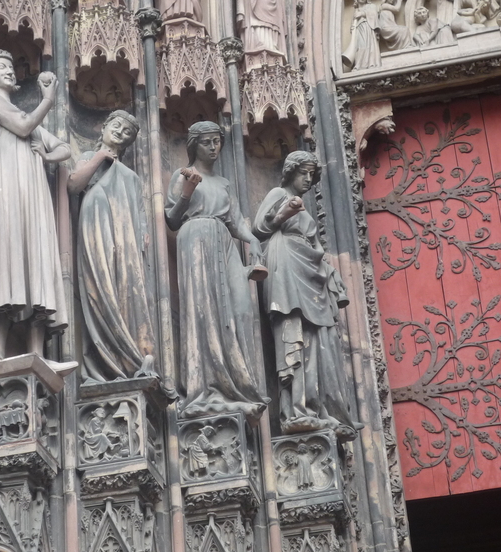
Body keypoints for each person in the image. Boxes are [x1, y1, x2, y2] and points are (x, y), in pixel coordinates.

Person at [0, 50, 72, 370]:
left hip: (32, 199)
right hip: (5, 195)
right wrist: (48, 100)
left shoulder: (30, 122)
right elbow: (24, 126)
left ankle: (37, 352)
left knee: (35, 267)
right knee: (5, 265)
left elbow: (65, 148)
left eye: (11, 66)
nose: (9, 71)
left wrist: (47, 155)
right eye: (1, 66)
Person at [253, 151, 360, 440]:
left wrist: (329, 272)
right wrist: (285, 213)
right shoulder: (278, 194)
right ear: (290, 172)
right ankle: (295, 411)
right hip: (286, 266)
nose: (308, 180)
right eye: (304, 173)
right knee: (293, 334)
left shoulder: (307, 214)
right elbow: (259, 229)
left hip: (309, 273)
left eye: (312, 175)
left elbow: (316, 249)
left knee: (318, 340)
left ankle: (319, 408)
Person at [165, 121, 268, 421]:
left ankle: (240, 382)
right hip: (195, 238)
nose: (213, 147)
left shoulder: (223, 183)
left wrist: (253, 240)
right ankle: (206, 384)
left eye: (217, 141)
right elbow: (172, 219)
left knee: (242, 308)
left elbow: (235, 221)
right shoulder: (182, 175)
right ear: (193, 145)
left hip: (224, 241)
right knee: (203, 309)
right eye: (206, 142)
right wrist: (187, 192)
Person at [68, 111, 157, 383]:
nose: (120, 132)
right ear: (104, 127)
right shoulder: (88, 157)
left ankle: (131, 355)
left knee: (127, 289)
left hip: (124, 238)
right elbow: (74, 185)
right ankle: (103, 358)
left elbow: (140, 216)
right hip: (95, 225)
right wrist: (99, 157)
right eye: (116, 126)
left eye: (127, 132)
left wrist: (142, 235)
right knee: (99, 285)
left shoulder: (131, 177)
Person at [342, 0, 382, 71]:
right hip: (358, 30)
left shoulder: (371, 6)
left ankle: (370, 64)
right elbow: (353, 23)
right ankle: (358, 65)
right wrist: (352, 27)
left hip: (368, 29)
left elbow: (374, 14)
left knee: (368, 47)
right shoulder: (356, 10)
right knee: (359, 48)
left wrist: (362, 14)